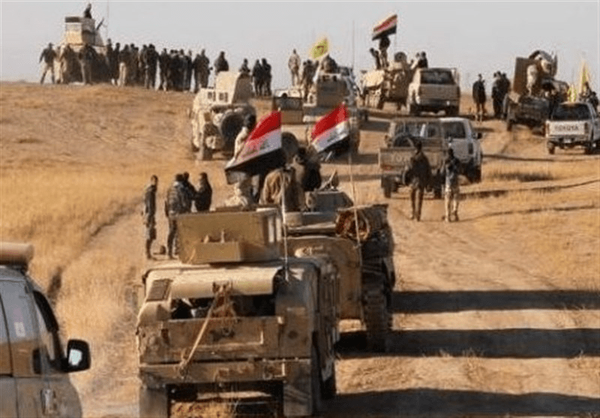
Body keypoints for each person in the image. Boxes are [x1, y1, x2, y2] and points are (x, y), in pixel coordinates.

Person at [405, 140, 431, 221]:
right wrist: (428, 182)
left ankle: (413, 213)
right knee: (419, 199)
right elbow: (428, 171)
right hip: (421, 181)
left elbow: (408, 169)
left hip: (413, 181)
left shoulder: (413, 158)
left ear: (415, 148)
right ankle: (418, 216)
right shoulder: (425, 158)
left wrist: (405, 179)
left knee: (412, 198)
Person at [164, 174, 188, 258]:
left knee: (171, 232)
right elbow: (184, 202)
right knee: (180, 232)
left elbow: (166, 202)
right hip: (179, 213)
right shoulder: (181, 189)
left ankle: (169, 252)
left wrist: (167, 212)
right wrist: (186, 210)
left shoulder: (170, 189)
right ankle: (179, 251)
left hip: (171, 213)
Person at [443, 148, 461, 222]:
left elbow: (442, 171)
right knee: (456, 197)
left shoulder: (446, 161)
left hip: (448, 182)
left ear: (448, 154)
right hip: (455, 181)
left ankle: (448, 216)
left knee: (448, 199)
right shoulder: (457, 161)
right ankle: (455, 211)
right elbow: (460, 170)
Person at [142, 175, 158, 259]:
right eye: (154, 181)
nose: (156, 183)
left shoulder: (147, 190)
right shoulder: (151, 192)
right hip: (149, 215)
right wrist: (150, 217)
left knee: (150, 234)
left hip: (147, 214)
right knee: (150, 235)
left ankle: (148, 253)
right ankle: (147, 253)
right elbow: (150, 205)